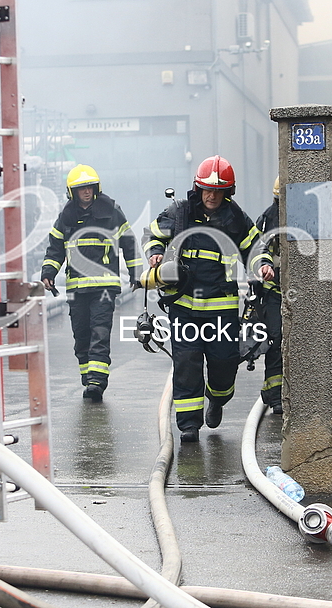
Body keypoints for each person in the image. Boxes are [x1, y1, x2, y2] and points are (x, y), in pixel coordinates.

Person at [143, 155, 260, 443]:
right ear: (198, 188)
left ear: (227, 192)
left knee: (224, 363)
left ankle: (217, 399)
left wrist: (263, 265)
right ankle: (189, 426)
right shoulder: (180, 212)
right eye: (207, 190)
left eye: (218, 191)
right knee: (187, 364)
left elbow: (256, 247)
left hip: (222, 308)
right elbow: (152, 234)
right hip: (184, 307)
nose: (211, 196)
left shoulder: (236, 219)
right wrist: (155, 253)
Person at [41, 164, 139, 401]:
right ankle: (88, 376)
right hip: (77, 289)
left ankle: (97, 381)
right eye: (81, 188)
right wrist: (48, 272)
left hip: (104, 288)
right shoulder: (65, 217)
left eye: (89, 187)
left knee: (99, 331)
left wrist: (136, 273)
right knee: (81, 335)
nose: (86, 192)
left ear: (96, 188)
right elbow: (55, 249)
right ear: (72, 192)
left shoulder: (112, 212)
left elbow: (128, 242)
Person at [249, 177, 283, 415]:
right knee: (276, 342)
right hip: (274, 293)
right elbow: (257, 253)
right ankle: (275, 395)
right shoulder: (268, 220)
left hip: (301, 292)